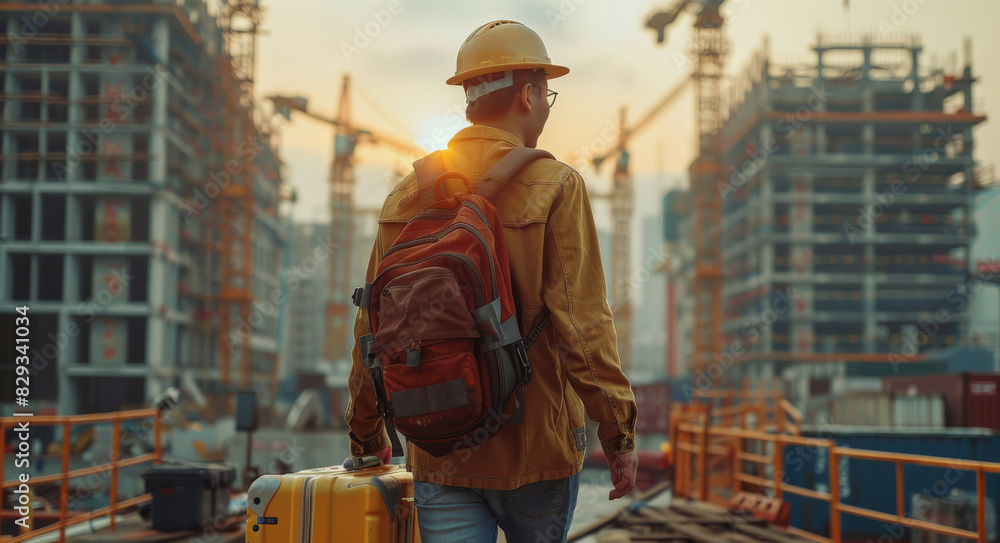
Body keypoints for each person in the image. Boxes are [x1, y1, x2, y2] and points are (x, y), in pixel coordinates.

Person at [346, 19, 638, 543]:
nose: (546, 104)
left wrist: (365, 433)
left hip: (438, 445)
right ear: (527, 95)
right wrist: (617, 434)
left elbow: (372, 332)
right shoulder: (557, 186)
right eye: (546, 92)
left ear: (469, 99)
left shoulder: (405, 197)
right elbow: (583, 328)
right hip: (538, 452)